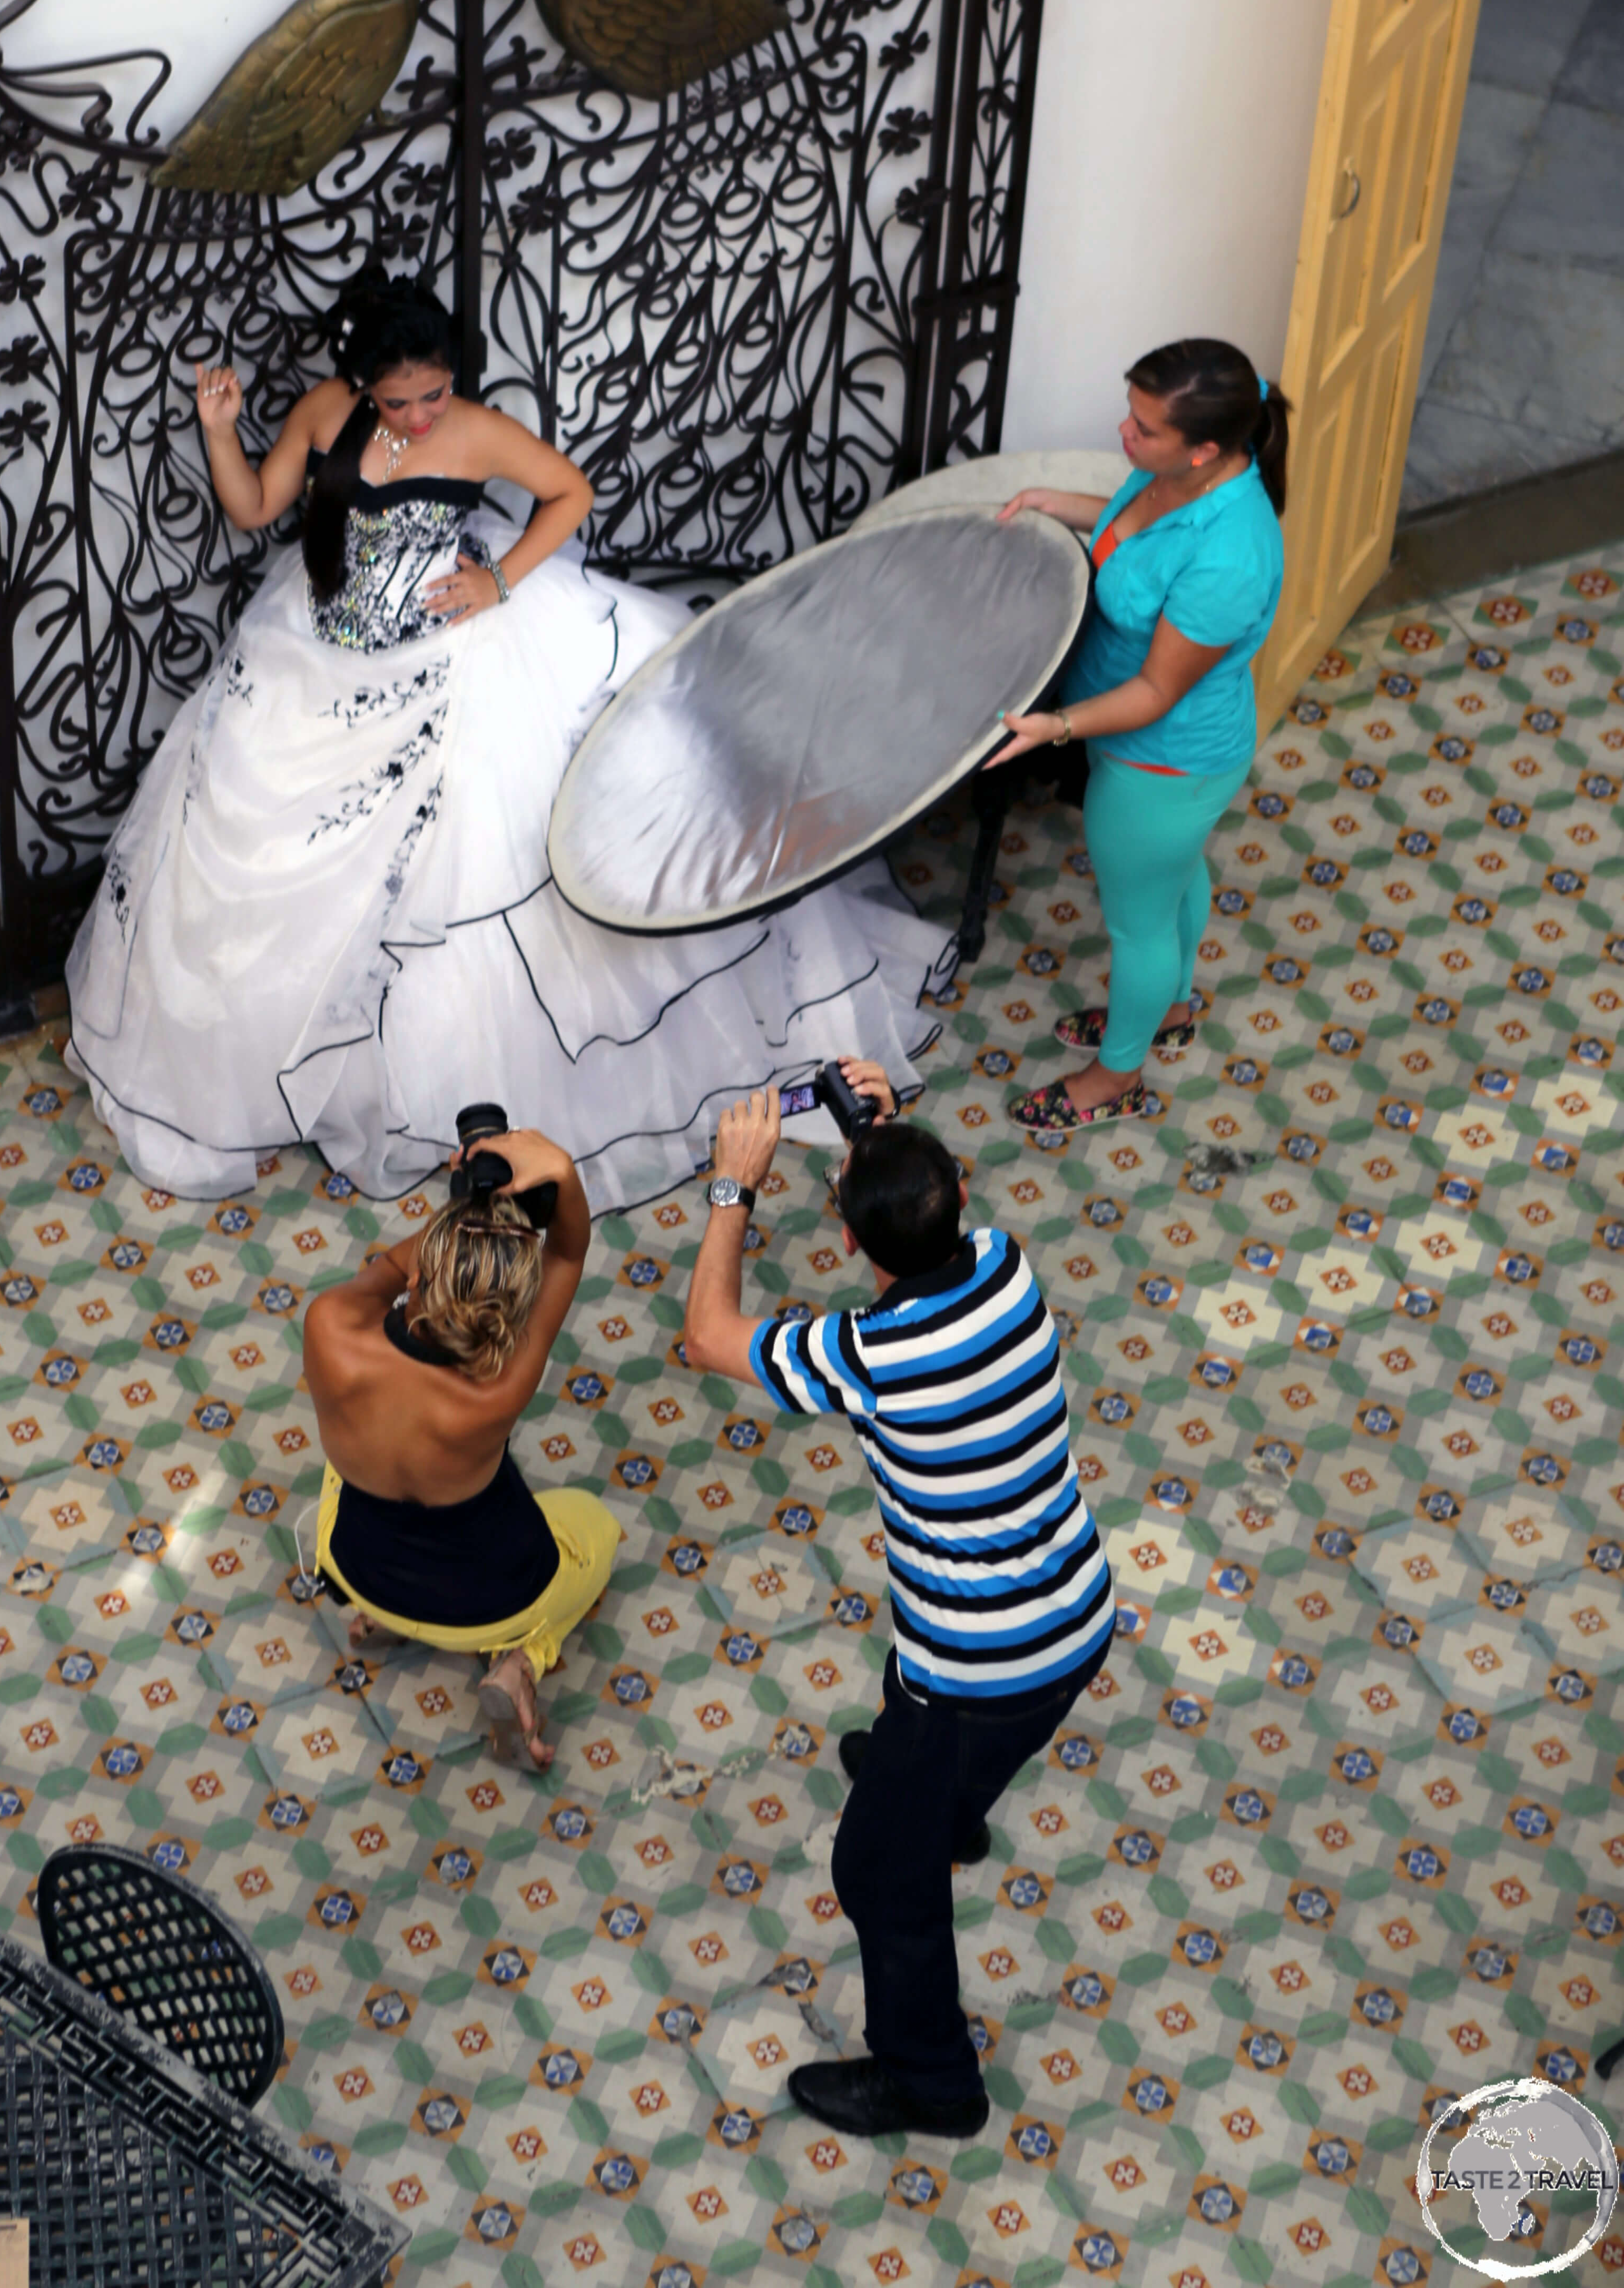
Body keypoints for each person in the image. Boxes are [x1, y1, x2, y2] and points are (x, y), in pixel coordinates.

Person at [65, 264, 941, 1205]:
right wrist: (219, 429)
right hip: (317, 661)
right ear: (362, 386)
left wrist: (500, 580)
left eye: (434, 393)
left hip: (453, 658)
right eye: (397, 400)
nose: (418, 415)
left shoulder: (474, 431)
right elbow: (252, 508)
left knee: (476, 860)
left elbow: (570, 493)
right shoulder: (326, 412)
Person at [682, 1065, 1114, 2138]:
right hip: (1076, 1614)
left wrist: (733, 1191)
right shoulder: (1008, 1270)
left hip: (972, 1671)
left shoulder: (873, 1356)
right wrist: (873, 1130)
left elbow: (708, 1335)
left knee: (875, 1875)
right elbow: (912, 1220)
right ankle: (947, 1808)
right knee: (919, 1733)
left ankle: (931, 2082)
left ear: (852, 1249)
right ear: (959, 1195)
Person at [988, 339, 1289, 1131]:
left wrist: (1056, 727)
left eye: (1145, 428)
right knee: (1175, 878)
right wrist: (1062, 503)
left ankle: (1115, 1077)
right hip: (1153, 750)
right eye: (1132, 413)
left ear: (1206, 450)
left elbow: (1157, 690)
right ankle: (1173, 1007)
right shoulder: (1178, 476)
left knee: (1139, 923)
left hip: (1163, 762)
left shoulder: (1230, 556)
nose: (1126, 434)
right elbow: (1134, 530)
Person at [302, 1124, 614, 1767]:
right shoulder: (498, 1391)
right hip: (487, 1605)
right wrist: (562, 1169)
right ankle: (516, 1664)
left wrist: (462, 1218)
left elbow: (388, 1268)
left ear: (422, 1276)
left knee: (347, 1461)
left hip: (357, 1565)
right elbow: (567, 1255)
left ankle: (378, 1619)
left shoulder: (329, 1330)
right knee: (594, 1526)